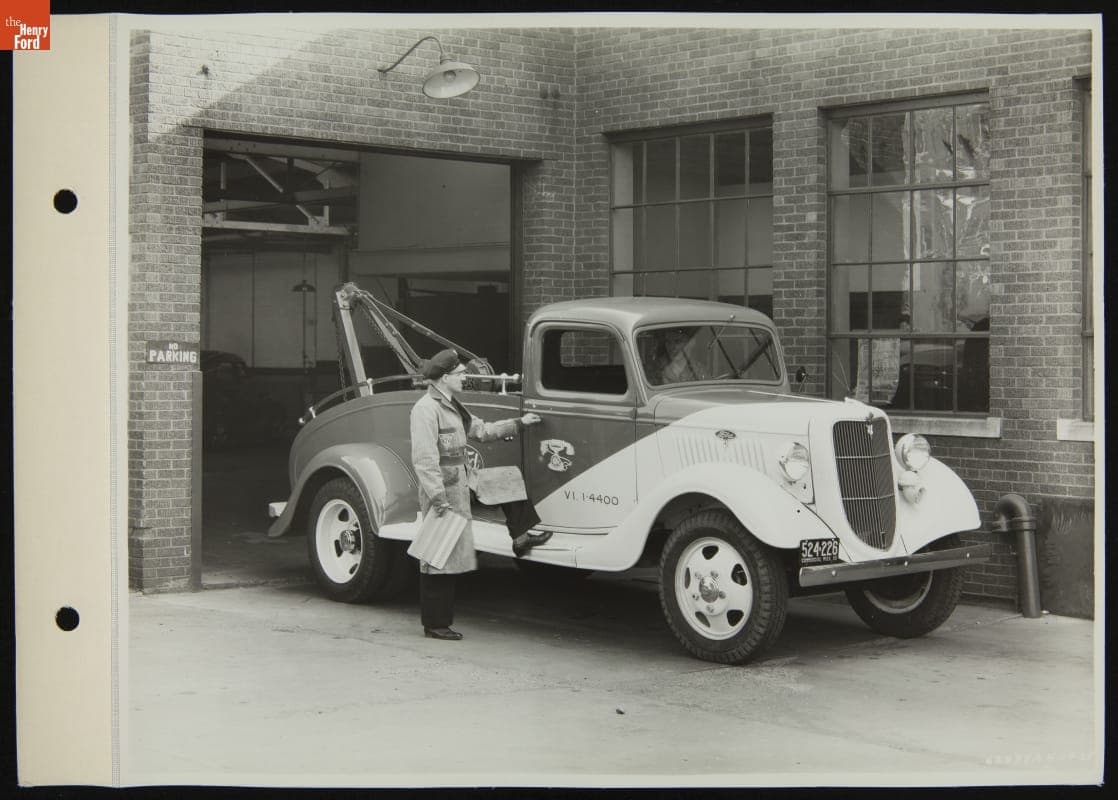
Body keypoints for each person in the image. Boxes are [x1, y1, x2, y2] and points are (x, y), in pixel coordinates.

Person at [409, 348, 542, 641]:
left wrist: (519, 424)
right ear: (444, 378)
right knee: (439, 553)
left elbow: (480, 430)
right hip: (444, 489)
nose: (464, 377)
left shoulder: (451, 404)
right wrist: (437, 498)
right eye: (459, 374)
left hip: (463, 480)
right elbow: (424, 460)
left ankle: (520, 538)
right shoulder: (425, 410)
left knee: (508, 479)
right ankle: (435, 624)